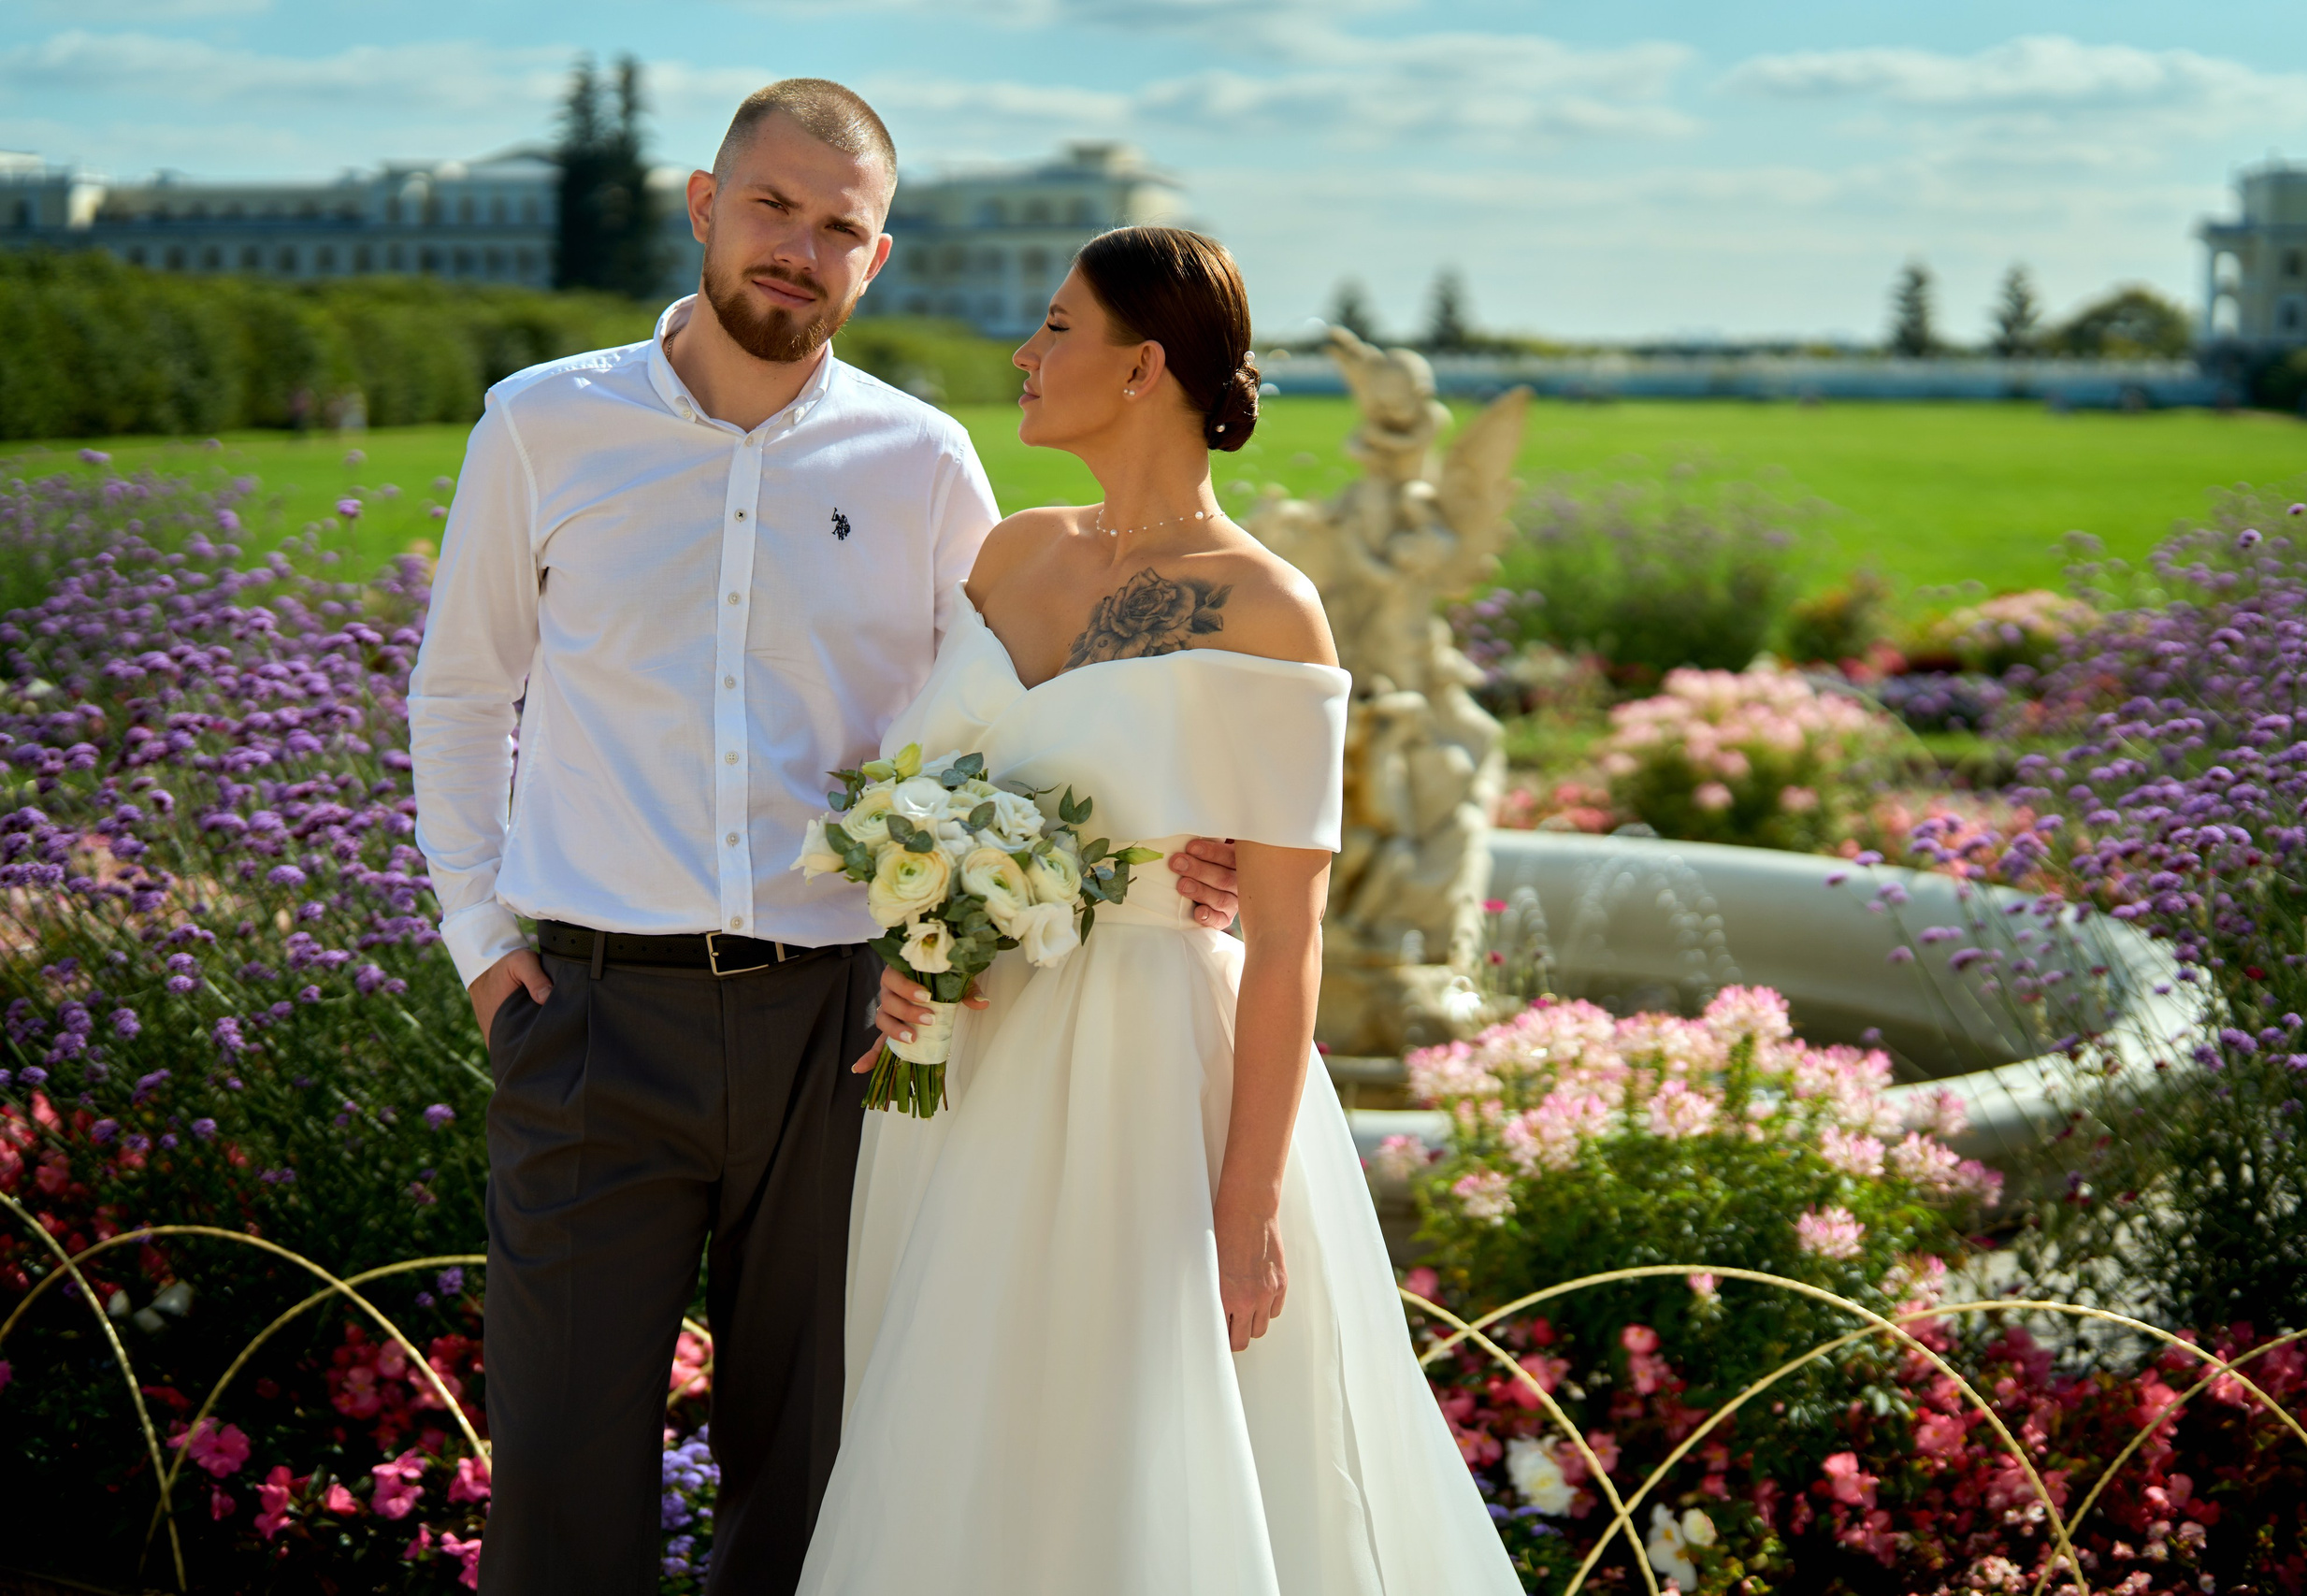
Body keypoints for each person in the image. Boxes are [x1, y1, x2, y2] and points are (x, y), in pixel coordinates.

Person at [406, 81, 1240, 1596]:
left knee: (816, 1473)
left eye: (838, 227)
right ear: (703, 204)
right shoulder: (541, 425)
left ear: (879, 257)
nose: (799, 247)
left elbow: (1014, 725)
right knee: (554, 1471)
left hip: (850, 1035)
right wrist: (481, 943)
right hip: (594, 1016)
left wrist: (1176, 844)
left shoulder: (923, 463)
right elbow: (465, 692)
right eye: (774, 207)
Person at [800, 228, 1522, 1594]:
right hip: (961, 1074)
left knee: (1125, 1444)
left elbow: (1292, 938)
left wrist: (1244, 1210)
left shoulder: (1268, 609)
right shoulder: (1008, 558)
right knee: (956, 1444)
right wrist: (914, 951)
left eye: (1056, 329)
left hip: (1144, 1075)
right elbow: (936, 789)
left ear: (1143, 368)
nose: (1026, 354)